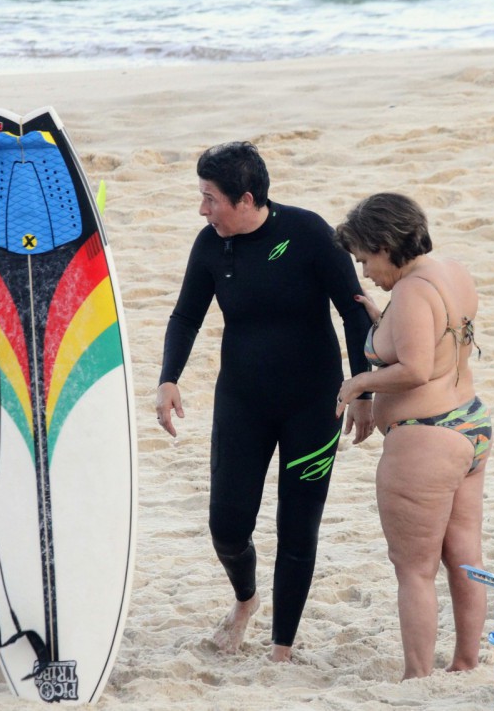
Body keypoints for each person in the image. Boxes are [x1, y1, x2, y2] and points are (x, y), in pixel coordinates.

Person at [156, 141, 374, 663]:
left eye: (210, 199)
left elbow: (354, 310)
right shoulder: (210, 244)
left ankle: (282, 646)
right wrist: (169, 379)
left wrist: (362, 386)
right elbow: (186, 316)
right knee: (227, 525)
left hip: (314, 403)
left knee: (298, 526)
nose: (202, 210)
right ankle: (246, 599)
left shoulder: (309, 234)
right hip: (242, 402)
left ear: (245, 199)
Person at [333, 192, 491, 680]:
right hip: (469, 424)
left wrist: (359, 381)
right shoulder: (450, 271)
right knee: (465, 554)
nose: (364, 271)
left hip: (424, 439)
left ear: (385, 244)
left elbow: (417, 368)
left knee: (414, 569)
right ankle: (465, 662)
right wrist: (385, 321)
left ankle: (417, 677)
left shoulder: (411, 293)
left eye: (365, 258)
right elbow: (439, 343)